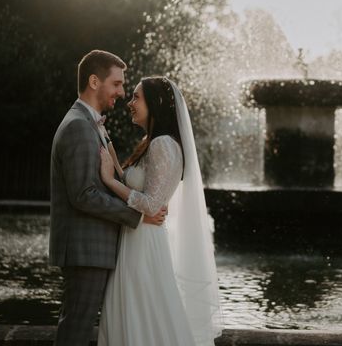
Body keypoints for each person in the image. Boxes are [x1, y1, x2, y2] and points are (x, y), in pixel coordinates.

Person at [49, 50, 167, 346]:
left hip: (92, 248)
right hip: (85, 248)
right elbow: (83, 195)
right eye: (116, 84)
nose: (122, 92)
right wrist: (136, 215)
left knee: (78, 326)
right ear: (93, 81)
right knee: (75, 330)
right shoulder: (78, 125)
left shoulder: (90, 124)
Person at [97, 76, 223, 346]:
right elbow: (136, 186)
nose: (130, 103)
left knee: (141, 317)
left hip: (143, 242)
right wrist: (107, 145)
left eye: (136, 97)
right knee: (135, 314)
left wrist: (108, 181)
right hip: (138, 238)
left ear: (156, 103)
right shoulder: (154, 142)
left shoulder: (162, 144)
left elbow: (151, 204)